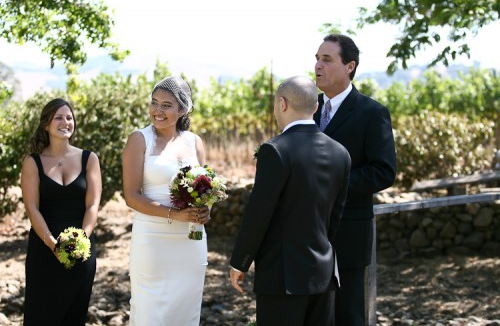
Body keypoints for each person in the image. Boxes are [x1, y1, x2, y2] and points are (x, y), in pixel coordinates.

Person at [229, 76, 351, 326]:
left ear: (281, 104)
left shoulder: (275, 150)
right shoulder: (341, 153)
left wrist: (240, 262)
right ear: (315, 107)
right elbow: (334, 218)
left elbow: (258, 214)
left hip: (282, 277)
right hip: (323, 274)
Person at [314, 34, 397, 326]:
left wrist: (332, 187)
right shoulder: (306, 110)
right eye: (316, 58)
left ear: (350, 66)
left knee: (348, 315)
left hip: (348, 232)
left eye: (327, 59)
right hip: (305, 234)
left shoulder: (372, 113)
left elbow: (383, 170)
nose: (317, 65)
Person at [122, 76, 211, 325]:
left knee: (185, 311)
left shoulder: (195, 142)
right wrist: (175, 215)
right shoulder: (139, 140)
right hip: (152, 241)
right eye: (154, 103)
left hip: (191, 241)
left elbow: (205, 188)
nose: (157, 111)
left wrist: (205, 211)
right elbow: (131, 196)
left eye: (167, 105)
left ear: (183, 109)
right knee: (151, 311)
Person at [20, 98, 102, 326]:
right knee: (40, 317)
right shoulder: (32, 162)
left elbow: (92, 205)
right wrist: (52, 244)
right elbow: (32, 208)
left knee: (74, 318)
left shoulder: (89, 159)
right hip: (44, 251)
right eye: (58, 117)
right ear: (46, 124)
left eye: (69, 117)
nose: (65, 122)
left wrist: (80, 240)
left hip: (80, 253)